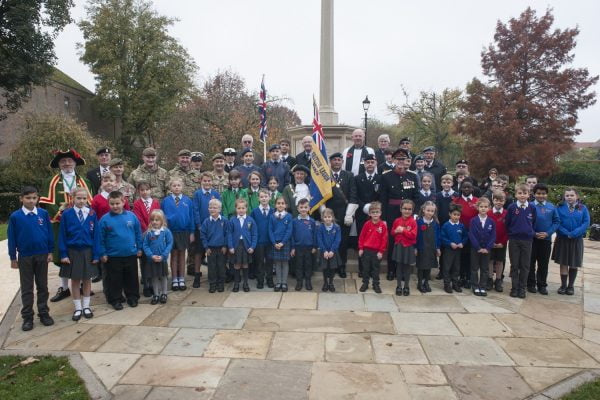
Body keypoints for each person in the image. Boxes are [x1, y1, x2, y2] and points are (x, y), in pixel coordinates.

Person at [40, 149, 93, 303]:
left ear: (75, 163)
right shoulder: (50, 182)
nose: (67, 163)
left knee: (82, 253)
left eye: (70, 161)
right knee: (62, 255)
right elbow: (47, 204)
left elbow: (89, 202)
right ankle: (64, 288)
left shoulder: (85, 182)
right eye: (63, 161)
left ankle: (83, 285)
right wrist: (62, 216)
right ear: (59, 165)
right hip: (60, 224)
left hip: (81, 224)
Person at [8, 186, 55, 331]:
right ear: (21, 199)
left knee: (43, 286)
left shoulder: (43, 213)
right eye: (28, 198)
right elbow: (12, 238)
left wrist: (50, 251)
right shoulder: (16, 216)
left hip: (42, 255)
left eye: (34, 198)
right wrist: (13, 257)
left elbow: (49, 233)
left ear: (38, 198)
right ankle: (27, 317)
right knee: (27, 288)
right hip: (25, 257)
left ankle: (44, 313)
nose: (31, 200)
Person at [59, 187, 100, 321]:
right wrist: (64, 254)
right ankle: (77, 307)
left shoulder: (92, 213)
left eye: (84, 198)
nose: (82, 201)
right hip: (73, 252)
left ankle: (86, 306)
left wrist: (96, 254)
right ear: (73, 198)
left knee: (87, 280)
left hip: (88, 251)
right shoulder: (66, 214)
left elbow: (96, 236)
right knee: (75, 280)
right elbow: (62, 235)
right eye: (79, 198)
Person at [98, 191, 143, 310]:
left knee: (131, 277)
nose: (115, 206)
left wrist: (139, 248)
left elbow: (138, 233)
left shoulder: (131, 216)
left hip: (130, 253)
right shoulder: (104, 220)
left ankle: (132, 297)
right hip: (113, 256)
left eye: (117, 203)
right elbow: (100, 238)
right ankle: (115, 299)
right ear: (108, 204)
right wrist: (102, 253)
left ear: (123, 202)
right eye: (112, 204)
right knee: (114, 279)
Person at [380, 148, 419, 281]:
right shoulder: (386, 176)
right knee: (393, 241)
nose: (401, 162)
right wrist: (383, 218)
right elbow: (383, 198)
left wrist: (414, 214)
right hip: (392, 212)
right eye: (398, 159)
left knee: (406, 241)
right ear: (393, 160)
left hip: (408, 213)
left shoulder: (413, 176)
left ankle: (403, 271)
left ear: (407, 161)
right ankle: (391, 270)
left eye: (403, 159)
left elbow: (416, 197)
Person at [552, 187, 590, 295]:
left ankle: (570, 286)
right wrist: (566, 233)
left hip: (576, 240)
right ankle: (563, 285)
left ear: (577, 196)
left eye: (572, 195)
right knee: (563, 263)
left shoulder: (583, 208)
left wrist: (574, 233)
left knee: (574, 263)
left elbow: (586, 222)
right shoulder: (559, 207)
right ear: (564, 197)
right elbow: (556, 221)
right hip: (563, 239)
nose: (569, 197)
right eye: (567, 195)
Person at [327, 152, 358, 278]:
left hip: (345, 213)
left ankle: (342, 266)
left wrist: (349, 214)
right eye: (334, 160)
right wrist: (324, 212)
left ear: (342, 162)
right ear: (330, 162)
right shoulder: (325, 176)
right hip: (330, 214)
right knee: (331, 240)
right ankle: (332, 266)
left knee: (343, 242)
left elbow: (353, 194)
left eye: (339, 160)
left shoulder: (349, 175)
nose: (336, 162)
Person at [161, 178, 195, 291]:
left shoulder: (188, 201)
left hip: (184, 231)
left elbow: (192, 217)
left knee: (182, 255)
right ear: (170, 187)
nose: (176, 187)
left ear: (182, 187)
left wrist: (192, 232)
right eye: (174, 185)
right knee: (174, 255)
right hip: (170, 232)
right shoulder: (165, 201)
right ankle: (174, 279)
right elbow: (162, 217)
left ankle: (181, 278)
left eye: (178, 185)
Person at [505, 183, 536, 299]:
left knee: (525, 265)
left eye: (525, 193)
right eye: (520, 193)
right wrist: (512, 233)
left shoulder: (532, 208)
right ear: (516, 194)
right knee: (515, 265)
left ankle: (522, 288)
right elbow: (507, 223)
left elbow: (534, 222)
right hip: (514, 240)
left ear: (529, 195)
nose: (522, 195)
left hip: (527, 240)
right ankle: (514, 288)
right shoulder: (512, 207)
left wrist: (530, 232)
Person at [528, 183, 560, 295]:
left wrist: (548, 233)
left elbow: (556, 222)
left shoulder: (551, 207)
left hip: (546, 240)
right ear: (534, 194)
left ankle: (542, 285)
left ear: (547, 194)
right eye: (538, 193)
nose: (541, 195)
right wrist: (533, 233)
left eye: (543, 193)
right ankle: (531, 284)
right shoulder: (530, 205)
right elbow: (526, 222)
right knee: (530, 263)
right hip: (532, 239)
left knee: (543, 263)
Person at [192, 173, 221, 288]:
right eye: (205, 181)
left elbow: (220, 209)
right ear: (201, 181)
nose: (207, 183)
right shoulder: (197, 194)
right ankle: (197, 275)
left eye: (209, 181)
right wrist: (199, 225)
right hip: (201, 228)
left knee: (213, 251)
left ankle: (214, 275)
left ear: (212, 182)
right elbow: (196, 210)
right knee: (199, 252)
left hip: (214, 228)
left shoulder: (216, 194)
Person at [354, 154, 381, 277]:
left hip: (375, 215)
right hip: (361, 215)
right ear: (364, 164)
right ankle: (362, 269)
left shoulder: (380, 179)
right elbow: (354, 195)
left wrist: (375, 207)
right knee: (362, 241)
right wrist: (363, 206)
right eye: (367, 162)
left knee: (375, 241)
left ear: (376, 164)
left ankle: (373, 269)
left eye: (372, 162)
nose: (370, 164)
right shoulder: (358, 178)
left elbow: (381, 196)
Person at [132, 181, 161, 297]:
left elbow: (159, 216)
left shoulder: (156, 202)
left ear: (150, 190)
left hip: (156, 235)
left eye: (147, 189)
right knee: (145, 261)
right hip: (144, 235)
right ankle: (146, 284)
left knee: (154, 260)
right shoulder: (137, 204)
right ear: (139, 192)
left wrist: (156, 230)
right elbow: (139, 219)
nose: (145, 192)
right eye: (142, 190)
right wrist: (148, 231)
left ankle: (155, 284)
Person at [142, 210, 173, 305]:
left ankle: (164, 293)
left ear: (162, 221)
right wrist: (151, 255)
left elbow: (169, 243)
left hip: (162, 259)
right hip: (152, 260)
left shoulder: (166, 232)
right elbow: (145, 245)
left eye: (157, 220)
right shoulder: (149, 233)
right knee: (154, 277)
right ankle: (156, 294)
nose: (154, 222)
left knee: (163, 276)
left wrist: (163, 255)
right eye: (152, 220)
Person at [227, 198, 258, 292]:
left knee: (245, 264)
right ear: (235, 209)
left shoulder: (250, 220)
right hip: (236, 245)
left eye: (243, 208)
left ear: (246, 208)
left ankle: (245, 283)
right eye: (239, 208)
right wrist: (230, 246)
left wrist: (252, 246)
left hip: (246, 246)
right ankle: (236, 283)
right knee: (237, 264)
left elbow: (254, 234)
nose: (241, 210)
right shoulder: (232, 220)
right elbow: (229, 234)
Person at [452, 181, 479, 288]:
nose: (466, 189)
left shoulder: (477, 201)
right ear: (461, 188)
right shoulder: (456, 201)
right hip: (459, 233)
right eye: (464, 187)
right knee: (460, 256)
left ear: (472, 188)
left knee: (470, 256)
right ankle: (461, 277)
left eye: (469, 187)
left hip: (473, 233)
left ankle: (469, 278)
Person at [358, 201, 388, 294]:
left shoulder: (383, 225)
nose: (375, 214)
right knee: (365, 268)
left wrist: (381, 251)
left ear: (380, 213)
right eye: (373, 212)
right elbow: (361, 237)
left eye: (377, 212)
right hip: (367, 250)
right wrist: (361, 248)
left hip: (377, 252)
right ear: (370, 213)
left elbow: (384, 239)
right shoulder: (367, 224)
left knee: (375, 269)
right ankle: (365, 283)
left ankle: (376, 284)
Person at [469, 197, 496, 297]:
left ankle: (483, 286)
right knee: (474, 268)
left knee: (485, 269)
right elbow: (471, 234)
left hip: (486, 250)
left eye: (485, 207)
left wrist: (487, 248)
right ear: (477, 207)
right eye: (481, 207)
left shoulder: (491, 222)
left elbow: (493, 236)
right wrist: (478, 247)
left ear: (489, 208)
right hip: (476, 249)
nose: (483, 209)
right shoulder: (473, 220)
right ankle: (475, 286)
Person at [201, 199, 229, 293]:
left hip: (221, 248)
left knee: (221, 266)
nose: (212, 209)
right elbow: (203, 235)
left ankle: (221, 283)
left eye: (215, 207)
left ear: (219, 209)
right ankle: (212, 284)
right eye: (210, 207)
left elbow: (227, 234)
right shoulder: (206, 222)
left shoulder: (224, 221)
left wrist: (225, 245)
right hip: (211, 249)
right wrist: (206, 247)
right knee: (211, 267)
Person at [391, 199, 417, 296]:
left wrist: (403, 230)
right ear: (401, 209)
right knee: (399, 266)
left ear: (412, 210)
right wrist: (396, 231)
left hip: (408, 247)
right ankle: (398, 286)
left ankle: (406, 286)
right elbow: (392, 232)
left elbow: (413, 235)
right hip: (399, 246)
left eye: (409, 209)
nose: (407, 211)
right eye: (405, 209)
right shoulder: (397, 220)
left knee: (407, 267)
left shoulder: (413, 222)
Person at [291, 199, 317, 291]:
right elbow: (292, 235)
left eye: (305, 207)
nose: (303, 209)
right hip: (298, 247)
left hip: (309, 247)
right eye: (301, 207)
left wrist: (314, 246)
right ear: (297, 209)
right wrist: (293, 247)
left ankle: (308, 281)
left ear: (309, 208)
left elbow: (315, 235)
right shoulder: (294, 221)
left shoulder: (312, 221)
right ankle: (299, 282)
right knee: (299, 265)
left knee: (308, 265)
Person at [251, 189, 275, 289]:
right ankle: (260, 280)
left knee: (269, 261)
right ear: (258, 198)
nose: (264, 198)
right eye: (261, 197)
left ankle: (269, 279)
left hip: (270, 241)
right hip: (259, 242)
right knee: (259, 262)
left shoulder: (273, 211)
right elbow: (251, 227)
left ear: (269, 197)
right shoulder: (254, 212)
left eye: (266, 196)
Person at [415, 201, 441, 293]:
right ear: (423, 210)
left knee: (428, 266)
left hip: (431, 249)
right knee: (421, 266)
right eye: (428, 210)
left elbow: (438, 236)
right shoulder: (418, 222)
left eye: (432, 211)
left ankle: (426, 282)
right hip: (421, 248)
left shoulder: (435, 223)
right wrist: (415, 247)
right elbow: (415, 236)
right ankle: (420, 283)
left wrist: (438, 248)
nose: (430, 213)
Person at [441, 203, 467, 293]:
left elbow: (465, 236)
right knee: (447, 267)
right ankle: (447, 284)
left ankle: (455, 283)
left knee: (456, 267)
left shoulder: (461, 226)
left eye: (458, 215)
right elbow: (442, 237)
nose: (456, 217)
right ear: (450, 214)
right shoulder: (446, 225)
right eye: (454, 214)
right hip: (449, 250)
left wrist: (462, 243)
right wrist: (449, 243)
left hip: (458, 251)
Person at [269, 196, 293, 292]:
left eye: (282, 203)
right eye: (278, 203)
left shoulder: (289, 216)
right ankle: (278, 282)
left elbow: (289, 231)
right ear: (275, 205)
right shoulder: (272, 216)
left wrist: (282, 242)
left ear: (286, 205)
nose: (280, 205)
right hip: (275, 243)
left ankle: (284, 283)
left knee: (285, 263)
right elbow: (270, 230)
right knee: (278, 263)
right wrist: (274, 242)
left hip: (285, 243)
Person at [488, 191, 508, 292]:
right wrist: (490, 242)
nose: (498, 202)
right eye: (496, 200)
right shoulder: (488, 213)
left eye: (501, 200)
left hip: (502, 243)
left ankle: (498, 280)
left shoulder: (507, 214)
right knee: (490, 261)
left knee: (500, 261)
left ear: (504, 201)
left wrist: (503, 242)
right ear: (493, 200)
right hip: (490, 242)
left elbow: (508, 230)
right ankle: (490, 279)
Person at [317, 208, 341, 292]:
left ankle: (331, 282)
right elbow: (319, 239)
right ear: (323, 218)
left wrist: (332, 251)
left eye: (329, 217)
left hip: (332, 252)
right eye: (325, 217)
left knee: (332, 268)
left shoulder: (336, 227)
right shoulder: (320, 227)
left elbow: (337, 240)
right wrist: (324, 251)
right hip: (324, 252)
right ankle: (325, 283)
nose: (327, 218)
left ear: (332, 217)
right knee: (325, 268)